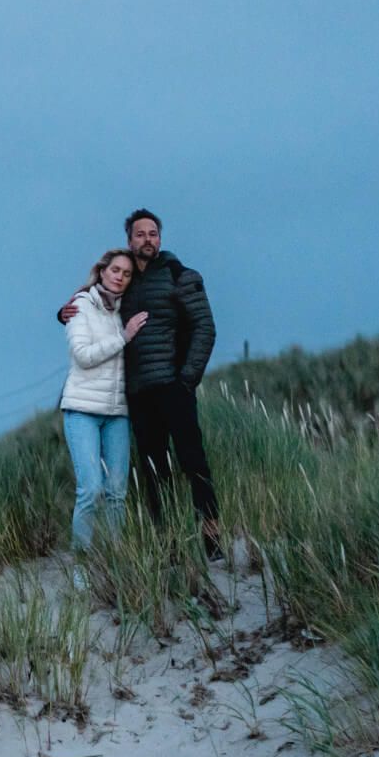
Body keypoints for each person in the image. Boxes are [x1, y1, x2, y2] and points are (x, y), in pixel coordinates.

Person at [58, 208, 221, 554]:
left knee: (193, 462)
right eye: (140, 234)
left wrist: (186, 380)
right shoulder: (126, 281)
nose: (147, 239)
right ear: (129, 240)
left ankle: (212, 540)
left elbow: (205, 329)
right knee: (154, 471)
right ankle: (169, 543)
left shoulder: (180, 275)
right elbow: (94, 301)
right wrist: (64, 312)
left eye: (153, 234)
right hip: (137, 395)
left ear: (160, 239)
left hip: (174, 387)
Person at [60, 249, 148, 553]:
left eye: (126, 274)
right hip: (82, 410)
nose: (120, 277)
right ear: (101, 271)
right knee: (91, 490)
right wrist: (124, 337)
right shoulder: (80, 306)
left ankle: (117, 561)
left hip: (118, 413)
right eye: (115, 271)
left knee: (116, 492)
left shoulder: (128, 309)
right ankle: (81, 565)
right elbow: (83, 357)